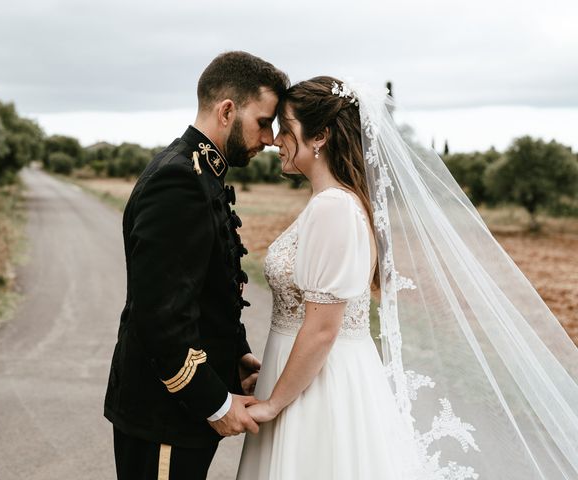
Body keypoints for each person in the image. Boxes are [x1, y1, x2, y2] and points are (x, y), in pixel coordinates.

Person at [237, 77, 578, 479]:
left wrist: (274, 402)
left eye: (286, 129)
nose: (276, 140)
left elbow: (322, 329)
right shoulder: (337, 201)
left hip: (320, 390)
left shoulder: (333, 206)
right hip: (308, 377)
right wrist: (275, 373)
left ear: (321, 136)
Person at [104, 51, 289, 480]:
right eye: (263, 122)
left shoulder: (203, 171)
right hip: (163, 413)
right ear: (227, 111)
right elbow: (161, 317)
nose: (270, 139)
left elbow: (212, 285)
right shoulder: (179, 181)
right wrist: (215, 403)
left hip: (178, 412)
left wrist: (237, 355)